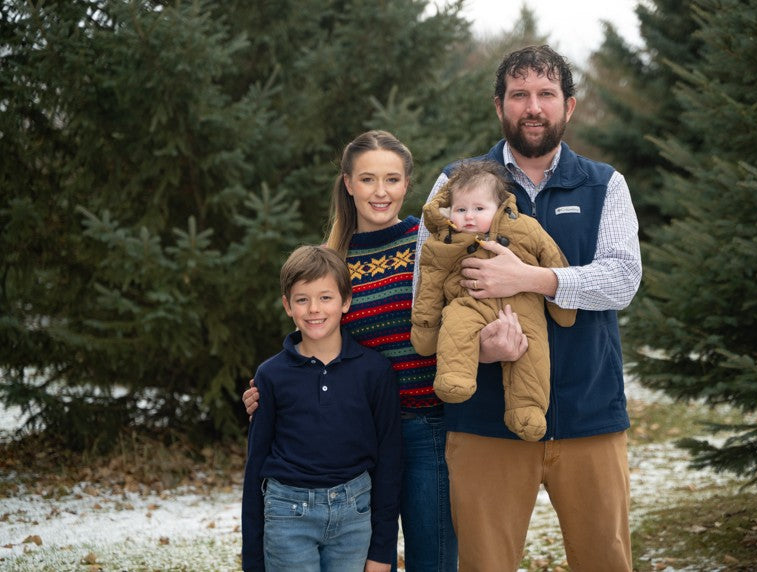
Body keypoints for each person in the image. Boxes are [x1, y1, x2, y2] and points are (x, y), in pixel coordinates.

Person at [414, 45, 642, 571]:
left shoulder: (604, 184)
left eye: (546, 94)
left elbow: (623, 279)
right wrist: (477, 348)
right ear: (499, 106)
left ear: (569, 105)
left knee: (605, 562)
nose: (533, 107)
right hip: (484, 423)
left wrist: (532, 279)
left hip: (589, 417)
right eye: (519, 95)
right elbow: (426, 287)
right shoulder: (456, 184)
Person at [242, 130, 459, 571]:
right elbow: (313, 335)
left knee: (432, 560)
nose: (381, 192)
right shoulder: (333, 258)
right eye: (367, 179)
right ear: (348, 184)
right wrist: (268, 391)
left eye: (392, 179)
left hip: (425, 428)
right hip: (351, 437)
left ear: (407, 184)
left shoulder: (427, 246)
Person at [241, 245, 401, 572]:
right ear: (287, 305)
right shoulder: (271, 375)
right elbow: (255, 463)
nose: (314, 309)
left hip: (354, 516)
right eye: (302, 299)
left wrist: (382, 552)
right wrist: (253, 559)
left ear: (346, 301)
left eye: (325, 297)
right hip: (287, 515)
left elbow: (390, 460)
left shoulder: (374, 371)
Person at [410, 160, 576, 442]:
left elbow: (552, 259)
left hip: (522, 307)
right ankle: (455, 377)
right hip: (470, 302)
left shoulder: (525, 228)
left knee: (533, 351)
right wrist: (425, 327)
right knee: (456, 324)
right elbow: (429, 285)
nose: (469, 217)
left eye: (479, 209)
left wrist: (562, 307)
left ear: (498, 206)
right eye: (461, 210)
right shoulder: (445, 242)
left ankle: (527, 409)